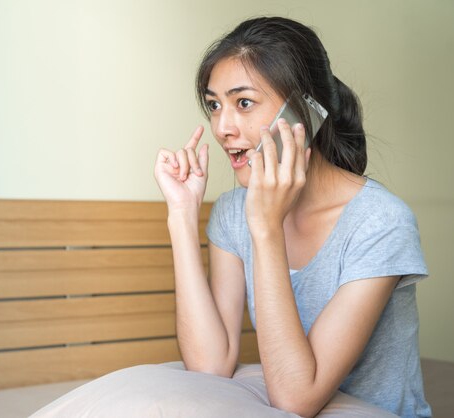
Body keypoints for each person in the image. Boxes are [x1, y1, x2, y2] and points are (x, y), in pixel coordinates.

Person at [31, 16, 430, 418]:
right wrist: (182, 216)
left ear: (305, 113)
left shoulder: (381, 221)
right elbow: (210, 366)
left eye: (243, 103)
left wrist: (267, 227)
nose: (222, 127)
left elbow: (297, 397)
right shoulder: (233, 212)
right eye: (214, 105)